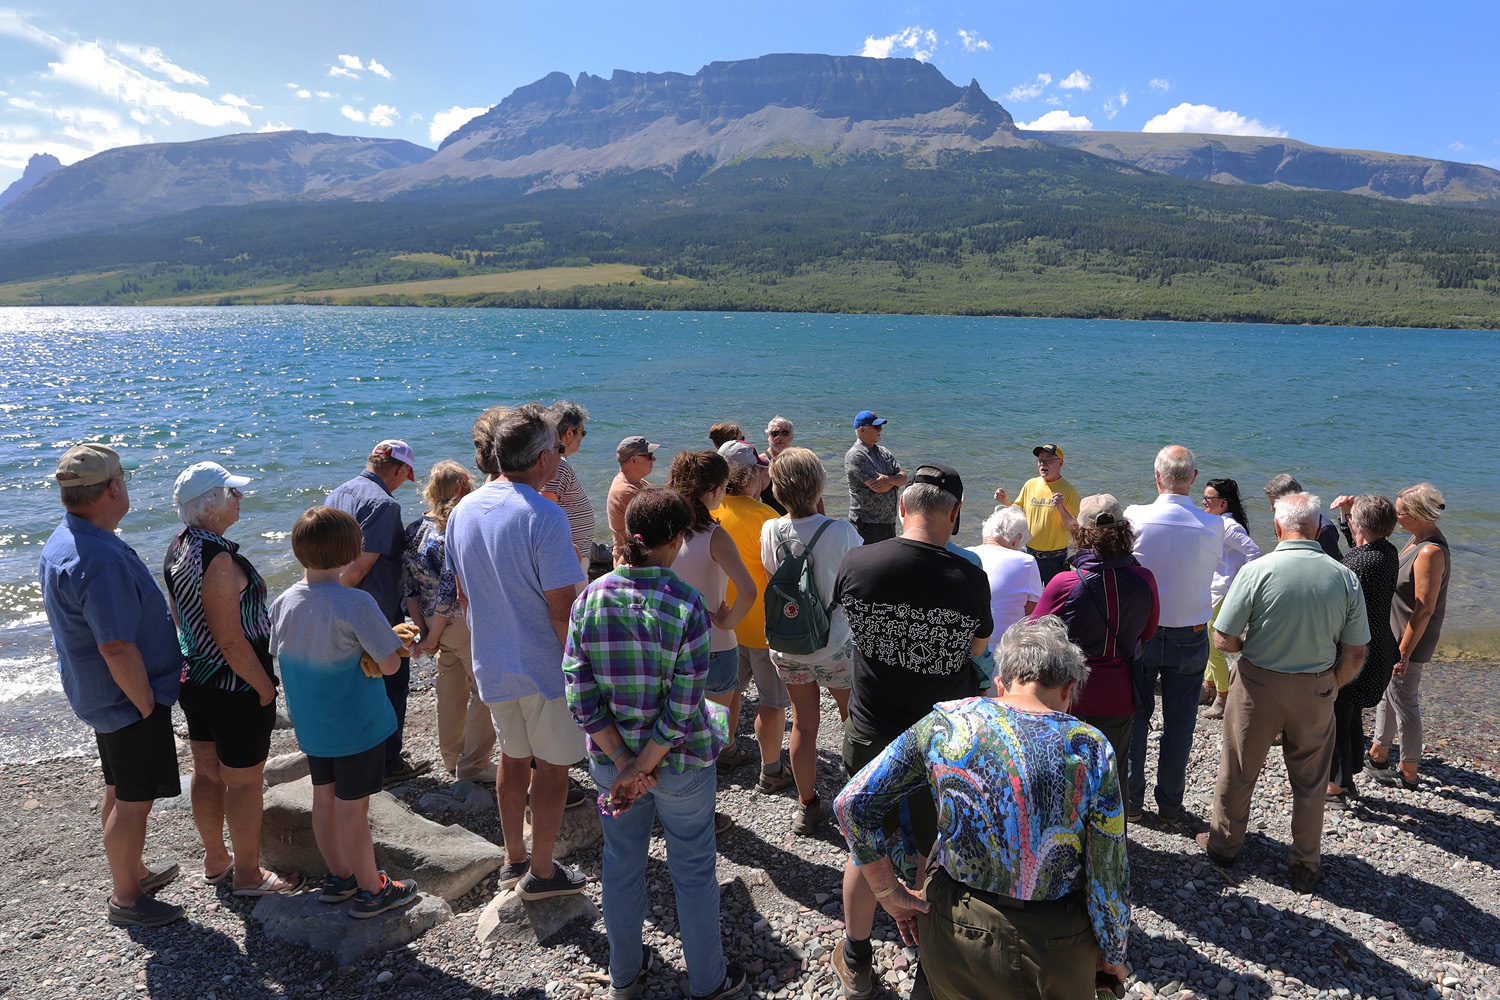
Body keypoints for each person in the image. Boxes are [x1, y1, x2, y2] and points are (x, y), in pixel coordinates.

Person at [834, 616, 1130, 1000]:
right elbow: (1108, 870)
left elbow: (853, 803)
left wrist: (888, 893)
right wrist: (1112, 953)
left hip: (955, 930)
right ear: (1069, 689)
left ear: (1001, 682)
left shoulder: (946, 724)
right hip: (1057, 943)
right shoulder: (1090, 746)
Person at [562, 488, 747, 1000]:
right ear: (677, 540)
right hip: (680, 762)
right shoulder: (685, 602)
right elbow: (685, 703)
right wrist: (645, 765)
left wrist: (625, 764)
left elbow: (579, 694)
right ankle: (707, 981)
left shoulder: (589, 599)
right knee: (692, 866)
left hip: (611, 762)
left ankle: (624, 974)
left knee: (621, 865)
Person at [829, 463, 992, 1000]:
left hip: (872, 728)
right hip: (938, 739)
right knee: (932, 846)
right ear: (956, 514)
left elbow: (850, 627)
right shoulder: (969, 579)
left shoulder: (859, 562)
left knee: (864, 845)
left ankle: (856, 958)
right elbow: (974, 651)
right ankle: (929, 957)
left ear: (902, 508)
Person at [445, 403, 590, 899]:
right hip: (543, 666)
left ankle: (514, 858)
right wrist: (582, 666)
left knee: (512, 757)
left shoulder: (462, 508)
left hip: (493, 660)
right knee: (552, 768)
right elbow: (561, 608)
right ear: (545, 458)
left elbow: (463, 592)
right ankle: (542, 873)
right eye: (555, 448)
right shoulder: (544, 515)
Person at [39, 444, 185, 927]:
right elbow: (117, 647)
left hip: (100, 694)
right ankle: (127, 897)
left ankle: (133, 872)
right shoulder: (98, 557)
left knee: (118, 784)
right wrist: (146, 704)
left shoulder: (69, 537)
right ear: (112, 488)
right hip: (126, 698)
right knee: (133, 799)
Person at [1199, 492, 1369, 894]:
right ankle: (1305, 863)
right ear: (1318, 527)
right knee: (1310, 781)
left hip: (1258, 684)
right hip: (1315, 687)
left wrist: (1248, 649)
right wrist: (1332, 684)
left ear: (1278, 527)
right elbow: (1357, 650)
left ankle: (1225, 845)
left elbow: (1222, 637)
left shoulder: (1257, 570)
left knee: (1240, 767)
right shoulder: (1343, 575)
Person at [269, 505, 420, 918]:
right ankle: (373, 890)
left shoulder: (282, 602)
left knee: (324, 799)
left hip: (313, 725)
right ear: (351, 552)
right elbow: (389, 663)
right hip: (356, 724)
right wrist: (394, 642)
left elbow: (281, 654)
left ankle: (340, 876)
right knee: (354, 808)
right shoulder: (357, 602)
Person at [164, 461, 300, 896]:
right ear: (210, 504)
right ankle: (248, 874)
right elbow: (230, 639)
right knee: (243, 782)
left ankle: (216, 858)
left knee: (207, 772)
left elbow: (181, 620)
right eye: (232, 492)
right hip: (233, 685)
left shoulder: (178, 547)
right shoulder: (217, 558)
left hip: (197, 679)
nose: (240, 498)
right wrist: (263, 685)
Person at [760, 447, 862, 834]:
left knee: (803, 723)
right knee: (853, 718)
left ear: (777, 492)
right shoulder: (842, 530)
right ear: (819, 484)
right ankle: (860, 797)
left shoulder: (770, 529)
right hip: (835, 643)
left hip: (789, 645)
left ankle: (807, 805)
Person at [1032, 494, 1159, 800]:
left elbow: (1033, 635)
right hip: (1120, 694)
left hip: (1070, 696)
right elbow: (1148, 632)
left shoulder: (1065, 582)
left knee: (1066, 781)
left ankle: (1066, 843)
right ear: (1123, 531)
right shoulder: (1144, 578)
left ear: (1081, 533)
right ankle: (1113, 842)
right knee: (1111, 779)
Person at [1123, 445, 1223, 824]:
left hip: (1142, 631)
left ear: (1156, 476)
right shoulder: (1215, 524)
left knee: (1137, 719)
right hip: (1191, 634)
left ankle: (1132, 802)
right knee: (1180, 727)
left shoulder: (1134, 517)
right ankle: (1169, 806)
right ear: (1194, 479)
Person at [326, 438, 430, 785]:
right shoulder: (384, 505)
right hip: (373, 611)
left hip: (334, 603)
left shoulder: (338, 493)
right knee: (393, 683)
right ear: (400, 469)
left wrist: (324, 604)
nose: (402, 483)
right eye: (405, 476)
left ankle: (356, 755)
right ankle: (387, 763)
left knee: (356, 684)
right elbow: (357, 569)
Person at [665, 450, 756, 828]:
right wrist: (727, 620)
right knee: (710, 738)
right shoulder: (713, 534)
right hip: (714, 646)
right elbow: (747, 590)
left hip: (668, 648)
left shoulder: (662, 532)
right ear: (717, 490)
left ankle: (668, 806)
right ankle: (701, 813)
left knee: (671, 732)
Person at [403, 460, 495, 783]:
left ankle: (452, 757)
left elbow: (410, 588)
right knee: (486, 690)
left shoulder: (413, 530)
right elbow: (449, 588)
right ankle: (475, 764)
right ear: (459, 488)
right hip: (457, 621)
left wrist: (424, 630)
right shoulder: (453, 528)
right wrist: (434, 634)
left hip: (431, 621)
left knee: (450, 689)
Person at [716, 440, 793, 795]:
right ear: (750, 476)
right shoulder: (765, 518)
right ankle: (771, 770)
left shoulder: (709, 512)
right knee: (772, 702)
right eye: (761, 469)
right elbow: (782, 575)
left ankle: (725, 750)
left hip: (724, 622)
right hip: (762, 625)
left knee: (727, 691)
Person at [1367, 483, 1451, 791]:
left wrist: (1403, 651)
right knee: (1389, 693)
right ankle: (1378, 753)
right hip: (1396, 633)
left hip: (1410, 637)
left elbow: (1424, 609)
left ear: (1416, 514)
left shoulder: (1429, 551)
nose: (1394, 516)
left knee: (1405, 700)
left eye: (1399, 512)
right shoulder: (1416, 540)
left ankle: (1409, 769)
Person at [1323, 494, 1399, 807]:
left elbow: (1349, 567)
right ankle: (1349, 774)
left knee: (1338, 716)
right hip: (1380, 646)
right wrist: (1345, 516)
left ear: (1359, 525)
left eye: (1351, 519)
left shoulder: (1357, 564)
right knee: (1350, 714)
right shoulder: (1388, 551)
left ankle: (1337, 787)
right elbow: (1360, 550)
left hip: (1357, 653)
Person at [1200, 479, 1261, 719]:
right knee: (1207, 642)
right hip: (1215, 590)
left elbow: (1254, 553)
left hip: (1224, 593)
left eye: (1208, 498)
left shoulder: (1230, 527)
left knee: (1214, 646)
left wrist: (1239, 584)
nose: (1203, 501)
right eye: (1203, 496)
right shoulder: (1219, 524)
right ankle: (1208, 687)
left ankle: (1223, 699)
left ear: (1223, 503)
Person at [993, 443, 1079, 584]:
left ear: (1061, 463)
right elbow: (1017, 514)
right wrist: (1006, 501)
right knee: (1027, 599)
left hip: (1054, 559)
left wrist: (1061, 508)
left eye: (1049, 460)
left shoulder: (1069, 490)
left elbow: (1074, 528)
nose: (1043, 464)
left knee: (1052, 602)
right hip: (1028, 554)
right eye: (1041, 460)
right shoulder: (1030, 484)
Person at [966, 505, 1043, 648]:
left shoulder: (965, 554)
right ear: (1018, 538)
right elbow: (1033, 616)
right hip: (1005, 652)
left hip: (966, 648)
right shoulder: (1025, 561)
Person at [541, 400, 597, 573]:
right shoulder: (559, 465)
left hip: (569, 555)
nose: (582, 438)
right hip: (567, 559)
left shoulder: (556, 463)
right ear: (569, 433)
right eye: (582, 432)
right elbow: (545, 508)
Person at [843, 410, 905, 545]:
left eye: (881, 426)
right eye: (876, 427)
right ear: (862, 430)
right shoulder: (856, 455)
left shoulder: (884, 452)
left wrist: (888, 480)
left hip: (887, 522)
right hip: (867, 524)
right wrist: (894, 481)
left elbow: (904, 478)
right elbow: (879, 488)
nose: (880, 430)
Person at [608, 435, 660, 565]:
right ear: (633, 460)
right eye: (648, 456)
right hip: (631, 564)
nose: (653, 459)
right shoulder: (626, 491)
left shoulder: (638, 483)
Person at [1263, 474, 1342, 559]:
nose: (1272, 509)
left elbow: (1333, 561)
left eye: (1275, 505)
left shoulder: (1324, 528)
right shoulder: (1284, 521)